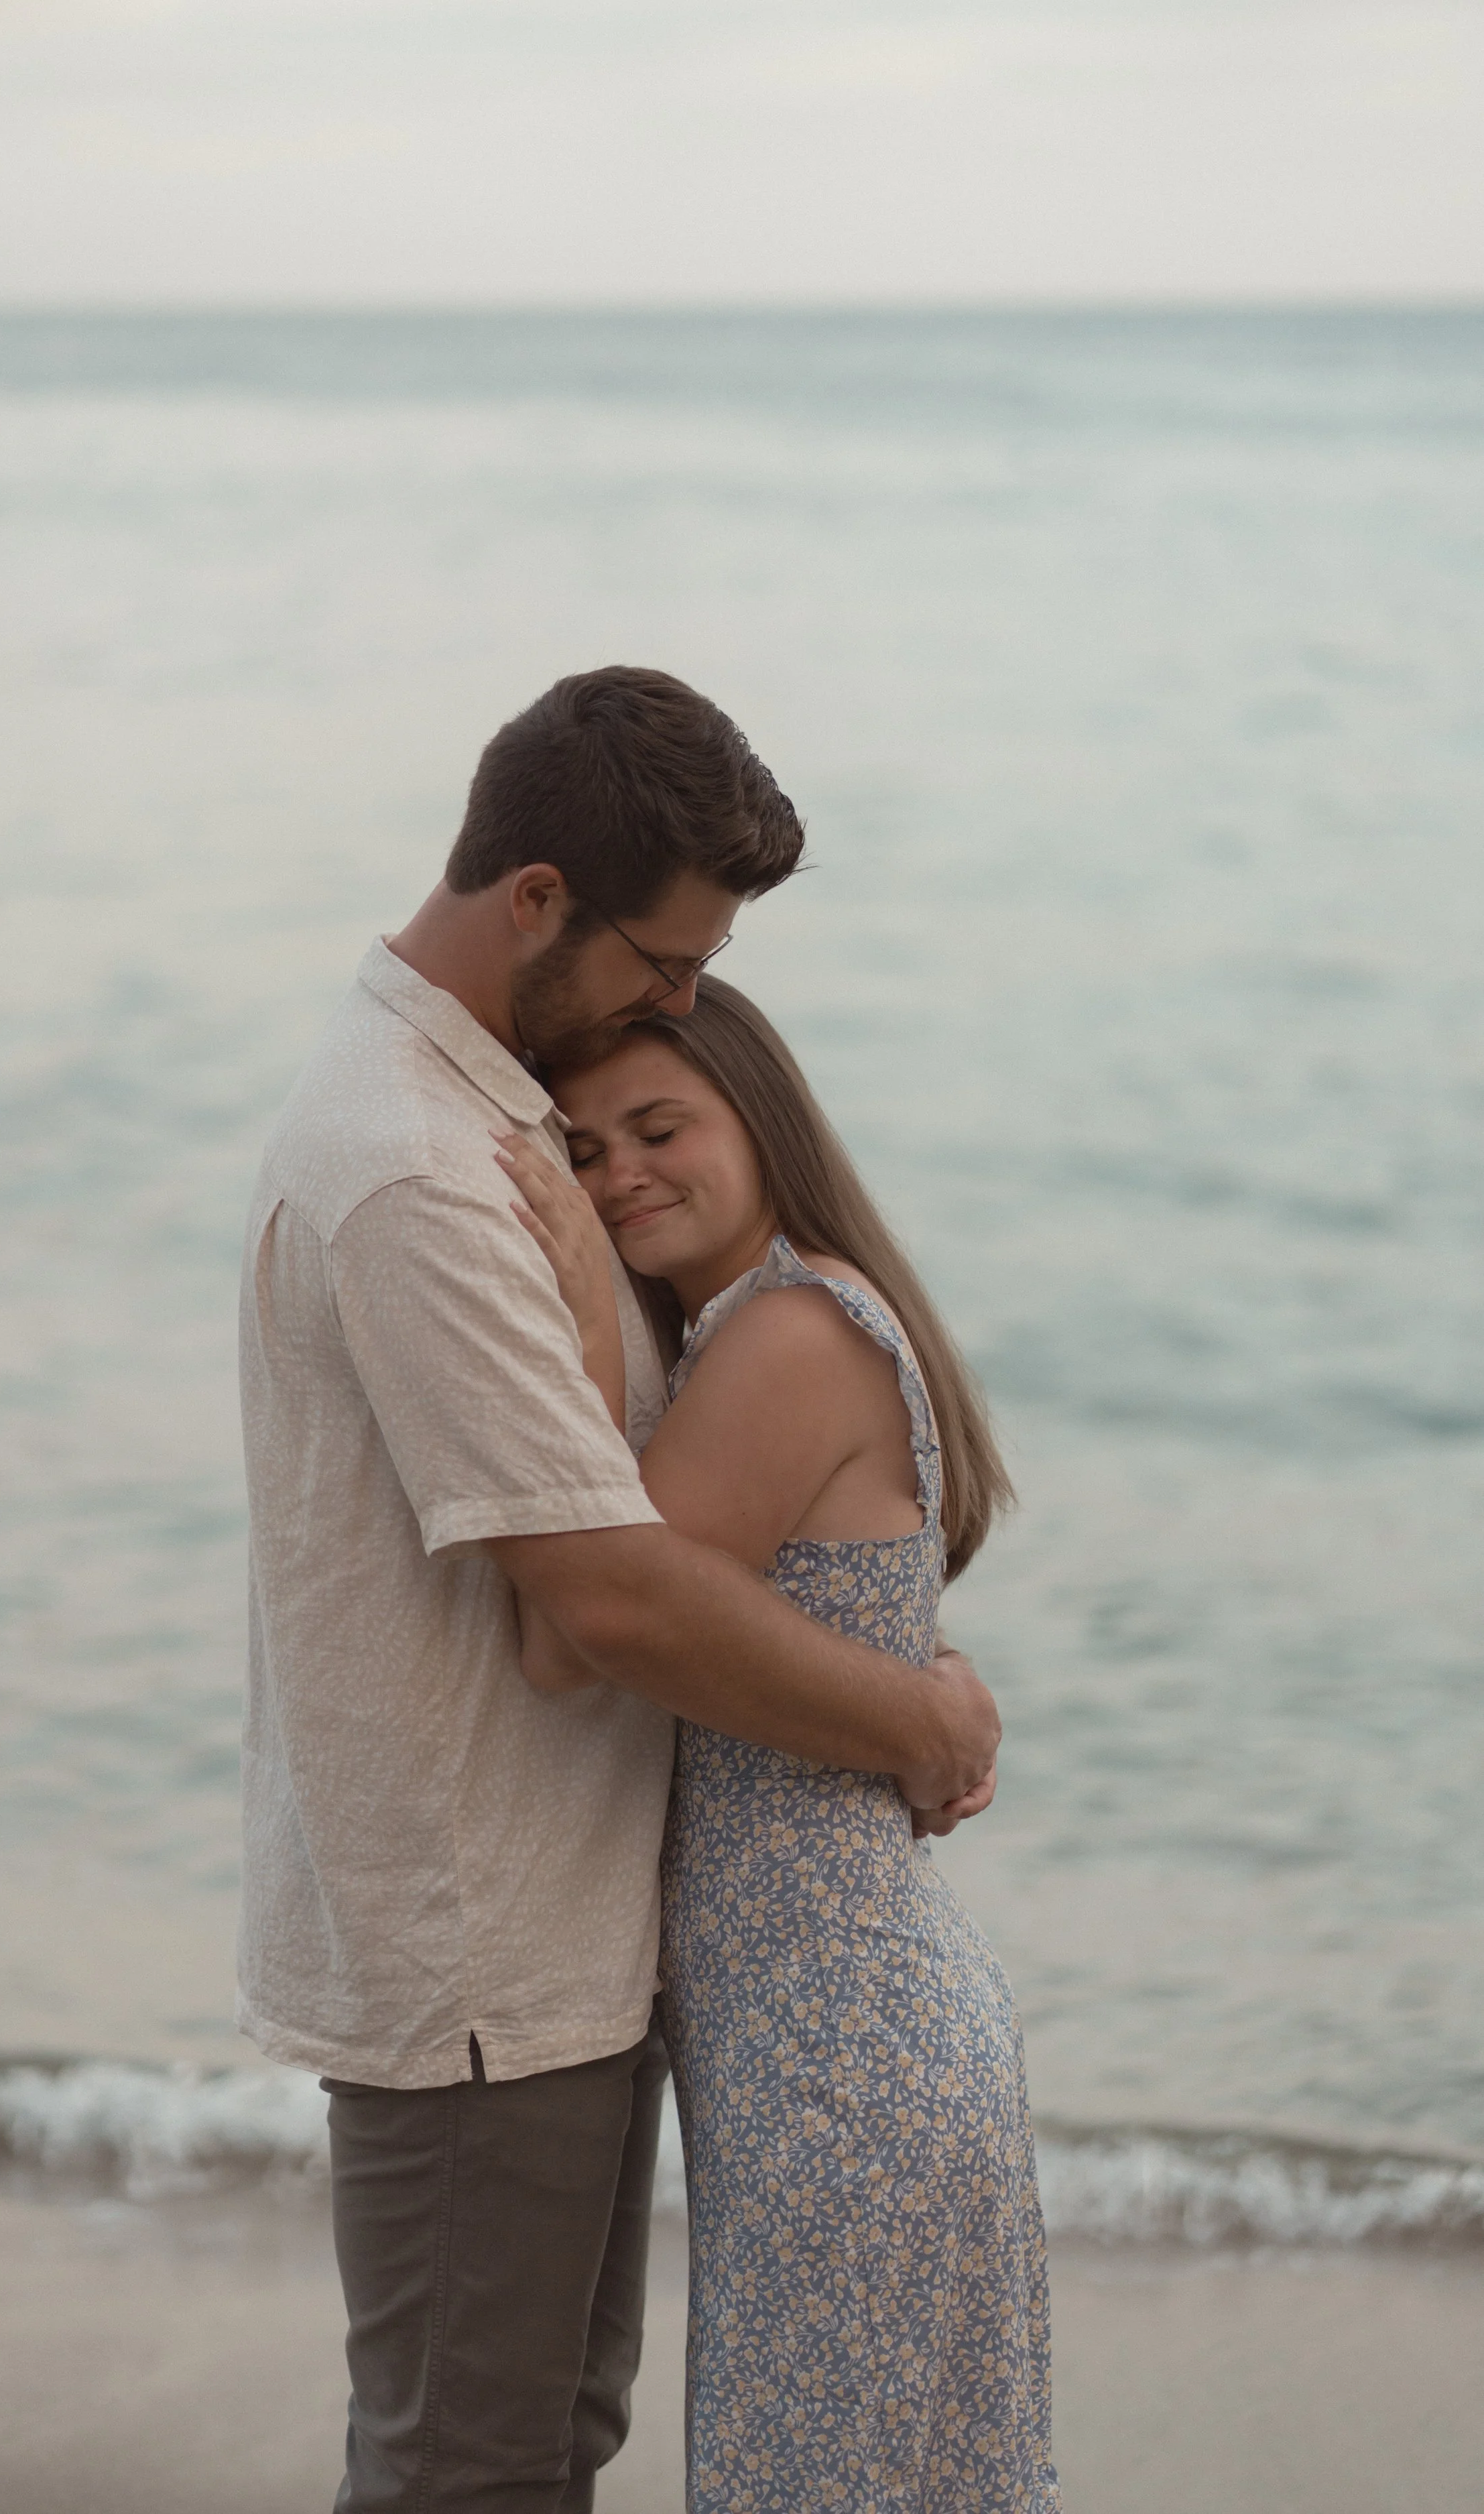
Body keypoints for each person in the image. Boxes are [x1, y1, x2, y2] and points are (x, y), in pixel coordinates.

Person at [237, 664, 1003, 2509]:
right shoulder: (423, 1167)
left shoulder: (490, 1125)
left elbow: (664, 1528)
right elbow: (603, 1601)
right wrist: (916, 1712)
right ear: (535, 902)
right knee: (471, 2469)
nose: (682, 998)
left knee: (527, 2451)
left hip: (560, 1966)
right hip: (478, 1963)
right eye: (662, 963)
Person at [497, 976, 1060, 2510]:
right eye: (584, 1151)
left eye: (658, 1128)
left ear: (763, 1120)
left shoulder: (786, 1335)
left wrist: (562, 1318)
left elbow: (581, 1623)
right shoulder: (762, 1331)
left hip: (841, 2060)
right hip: (833, 2052)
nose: (619, 1178)